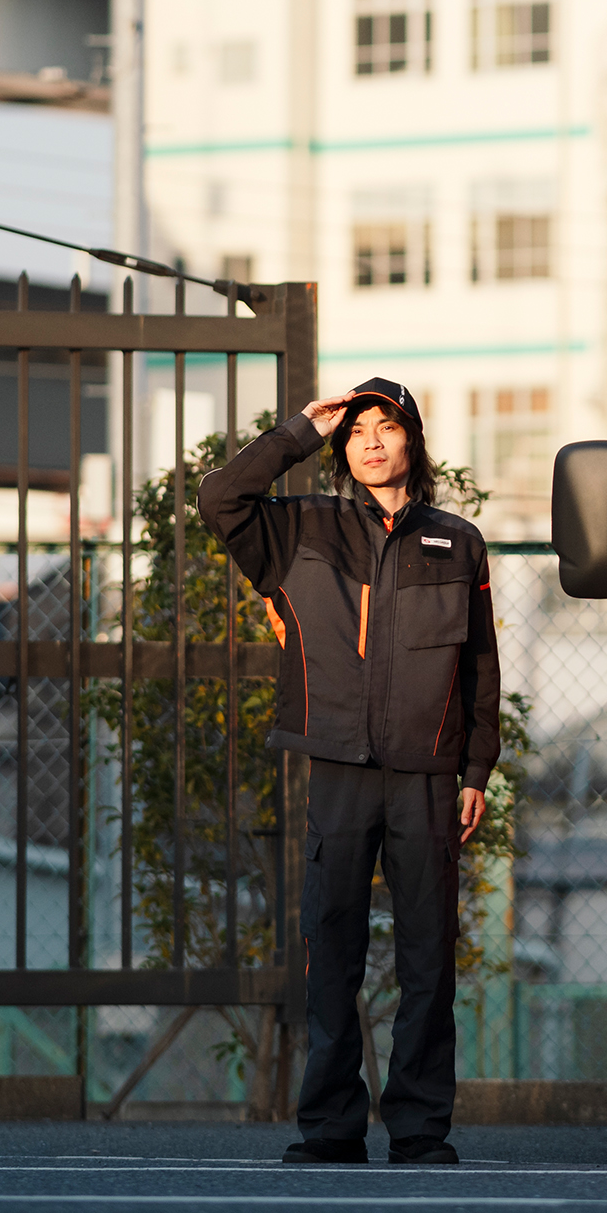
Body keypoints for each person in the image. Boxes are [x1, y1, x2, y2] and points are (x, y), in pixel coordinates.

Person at [198, 377, 500, 1166]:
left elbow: (480, 666)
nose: (370, 439)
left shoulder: (458, 542)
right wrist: (300, 429)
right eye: (357, 428)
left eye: (387, 425)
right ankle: (330, 1127)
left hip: (429, 778)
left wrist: (476, 767)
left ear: (413, 442)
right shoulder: (300, 531)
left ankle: (420, 1127)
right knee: (330, 950)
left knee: (428, 960)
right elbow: (220, 497)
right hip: (336, 768)